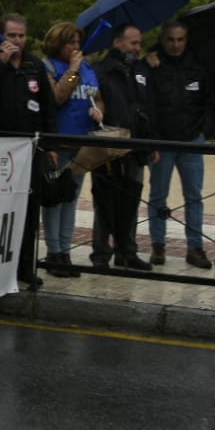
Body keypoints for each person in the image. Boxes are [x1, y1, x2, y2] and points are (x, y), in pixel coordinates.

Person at [0, 13, 56, 289]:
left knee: (28, 211)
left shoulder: (34, 65)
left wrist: (51, 146)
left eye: (21, 35)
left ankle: (25, 267)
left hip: (28, 152)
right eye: (11, 35)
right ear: (0, 36)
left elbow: (48, 108)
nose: (17, 40)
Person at [145, 21, 212, 269]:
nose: (175, 44)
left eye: (180, 39)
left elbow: (209, 102)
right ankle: (158, 245)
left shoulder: (199, 65)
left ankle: (195, 247)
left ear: (187, 40)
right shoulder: (151, 65)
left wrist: (205, 131)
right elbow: (146, 104)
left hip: (192, 141)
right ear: (163, 40)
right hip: (162, 141)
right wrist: (152, 139)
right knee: (158, 196)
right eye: (171, 39)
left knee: (194, 196)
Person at [88, 23, 153, 272]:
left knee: (131, 200)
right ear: (117, 43)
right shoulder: (101, 71)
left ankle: (127, 252)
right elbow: (95, 102)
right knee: (105, 201)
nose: (137, 48)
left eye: (140, 43)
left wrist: (152, 142)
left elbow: (147, 107)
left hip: (137, 145)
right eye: (133, 43)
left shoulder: (140, 70)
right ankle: (101, 253)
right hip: (109, 145)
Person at [39, 22, 101, 278]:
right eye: (70, 43)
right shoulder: (49, 66)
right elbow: (55, 98)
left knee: (71, 200)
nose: (76, 47)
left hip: (82, 143)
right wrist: (73, 71)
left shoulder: (87, 67)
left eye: (78, 42)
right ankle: (53, 252)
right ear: (58, 43)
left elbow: (97, 95)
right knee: (55, 199)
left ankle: (66, 251)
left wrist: (99, 110)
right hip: (59, 144)